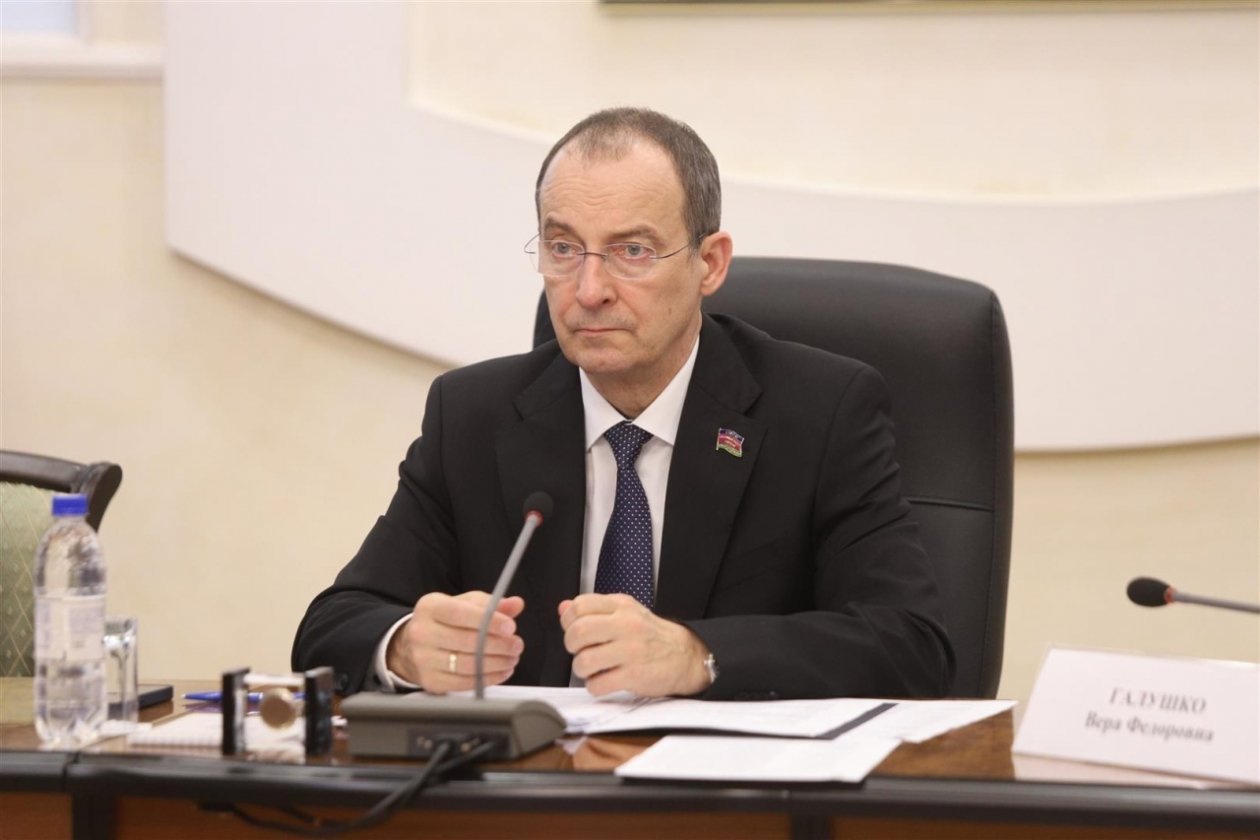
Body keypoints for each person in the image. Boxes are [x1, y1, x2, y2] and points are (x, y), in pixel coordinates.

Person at [292, 107, 955, 701]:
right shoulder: (472, 415)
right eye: (563, 249)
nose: (589, 290)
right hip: (533, 785)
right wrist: (406, 646)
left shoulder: (821, 412)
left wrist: (698, 655)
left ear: (710, 263)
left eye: (631, 251)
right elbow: (332, 626)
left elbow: (911, 645)